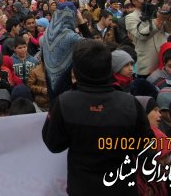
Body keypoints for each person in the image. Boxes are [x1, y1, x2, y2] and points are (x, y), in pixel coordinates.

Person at [42, 39, 153, 196]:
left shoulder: (64, 103)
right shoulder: (129, 103)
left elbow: (54, 144)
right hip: (121, 187)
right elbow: (146, 146)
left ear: (76, 70)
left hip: (83, 187)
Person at [125, 0, 171, 77]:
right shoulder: (130, 18)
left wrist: (168, 17)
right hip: (147, 65)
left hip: (164, 60)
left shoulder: (157, 11)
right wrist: (159, 20)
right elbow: (141, 35)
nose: (148, 1)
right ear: (134, 1)